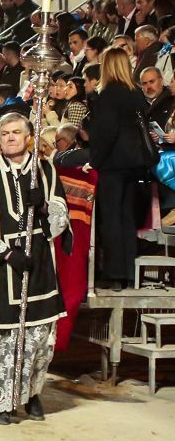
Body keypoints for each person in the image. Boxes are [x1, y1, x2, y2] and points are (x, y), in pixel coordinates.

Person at [0, 112, 71, 425]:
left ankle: (32, 394)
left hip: (40, 265)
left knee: (39, 339)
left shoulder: (45, 170)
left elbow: (61, 217)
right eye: (4, 133)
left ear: (28, 136)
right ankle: (2, 405)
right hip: (1, 268)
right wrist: (6, 253)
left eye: (16, 132)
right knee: (1, 342)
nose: (9, 137)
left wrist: (44, 205)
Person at [90, 47, 151, 290]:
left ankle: (114, 274)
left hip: (113, 165)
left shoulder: (106, 96)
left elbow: (107, 132)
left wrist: (94, 160)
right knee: (127, 218)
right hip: (135, 164)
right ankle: (128, 272)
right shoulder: (136, 93)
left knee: (111, 218)